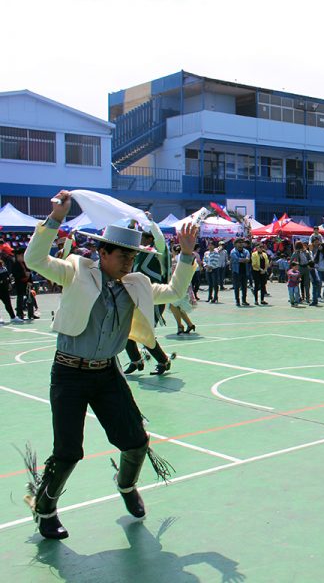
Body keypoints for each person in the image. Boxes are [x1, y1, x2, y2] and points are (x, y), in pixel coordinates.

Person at [22, 190, 197, 540]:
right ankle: (45, 509)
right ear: (103, 252)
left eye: (133, 256)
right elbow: (35, 260)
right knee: (68, 452)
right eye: (123, 255)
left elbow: (177, 292)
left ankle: (126, 485)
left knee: (136, 441)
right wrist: (55, 219)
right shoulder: (76, 271)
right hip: (69, 373)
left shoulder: (137, 285)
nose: (129, 262)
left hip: (106, 373)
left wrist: (187, 254)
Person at [122, 222, 177, 376]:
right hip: (134, 296)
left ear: (149, 239)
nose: (139, 240)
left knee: (145, 331)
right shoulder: (137, 253)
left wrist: (151, 223)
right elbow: (124, 240)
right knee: (125, 329)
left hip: (154, 296)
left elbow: (160, 238)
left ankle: (163, 361)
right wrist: (131, 225)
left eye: (142, 237)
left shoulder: (158, 251)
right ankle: (136, 360)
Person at [168, 244, 198, 334]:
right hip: (184, 285)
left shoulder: (174, 261)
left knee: (173, 306)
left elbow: (172, 275)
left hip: (177, 285)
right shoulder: (184, 261)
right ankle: (189, 324)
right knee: (177, 307)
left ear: (174, 251)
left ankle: (180, 326)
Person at [202, 239, 225, 303]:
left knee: (215, 283)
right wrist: (206, 266)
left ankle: (215, 296)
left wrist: (211, 267)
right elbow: (204, 260)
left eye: (211, 245)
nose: (210, 246)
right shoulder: (206, 253)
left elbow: (216, 260)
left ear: (214, 246)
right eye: (209, 245)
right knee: (210, 284)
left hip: (214, 269)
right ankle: (209, 296)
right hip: (207, 269)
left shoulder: (216, 252)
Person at [230, 239, 251, 307]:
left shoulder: (246, 251)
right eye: (239, 242)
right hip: (236, 271)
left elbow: (248, 259)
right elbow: (236, 259)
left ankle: (244, 300)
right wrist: (244, 260)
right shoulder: (233, 251)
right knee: (236, 287)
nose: (241, 244)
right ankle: (237, 300)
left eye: (242, 242)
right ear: (235, 244)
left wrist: (243, 260)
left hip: (245, 271)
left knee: (244, 287)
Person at [311, 238, 324, 306]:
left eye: (321, 246)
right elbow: (314, 262)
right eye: (319, 246)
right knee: (319, 283)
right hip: (319, 270)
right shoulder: (317, 254)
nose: (319, 247)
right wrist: (317, 267)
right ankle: (319, 296)